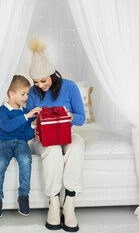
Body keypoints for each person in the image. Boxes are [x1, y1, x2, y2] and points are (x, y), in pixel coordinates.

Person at [26, 39, 85, 232]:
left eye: (43, 80)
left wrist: (69, 117)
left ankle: (69, 203)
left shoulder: (70, 87)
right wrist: (33, 121)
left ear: (52, 74)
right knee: (52, 150)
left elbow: (81, 118)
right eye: (36, 82)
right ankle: (53, 203)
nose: (40, 85)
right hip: (41, 138)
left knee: (76, 146)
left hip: (66, 133)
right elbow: (27, 123)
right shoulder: (33, 92)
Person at [0, 75, 41, 219]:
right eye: (23, 94)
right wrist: (26, 118)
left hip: (21, 143)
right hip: (3, 143)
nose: (26, 97)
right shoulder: (2, 111)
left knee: (26, 160)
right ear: (12, 94)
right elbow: (7, 127)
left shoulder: (26, 112)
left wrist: (33, 125)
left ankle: (23, 196)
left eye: (27, 94)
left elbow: (26, 136)